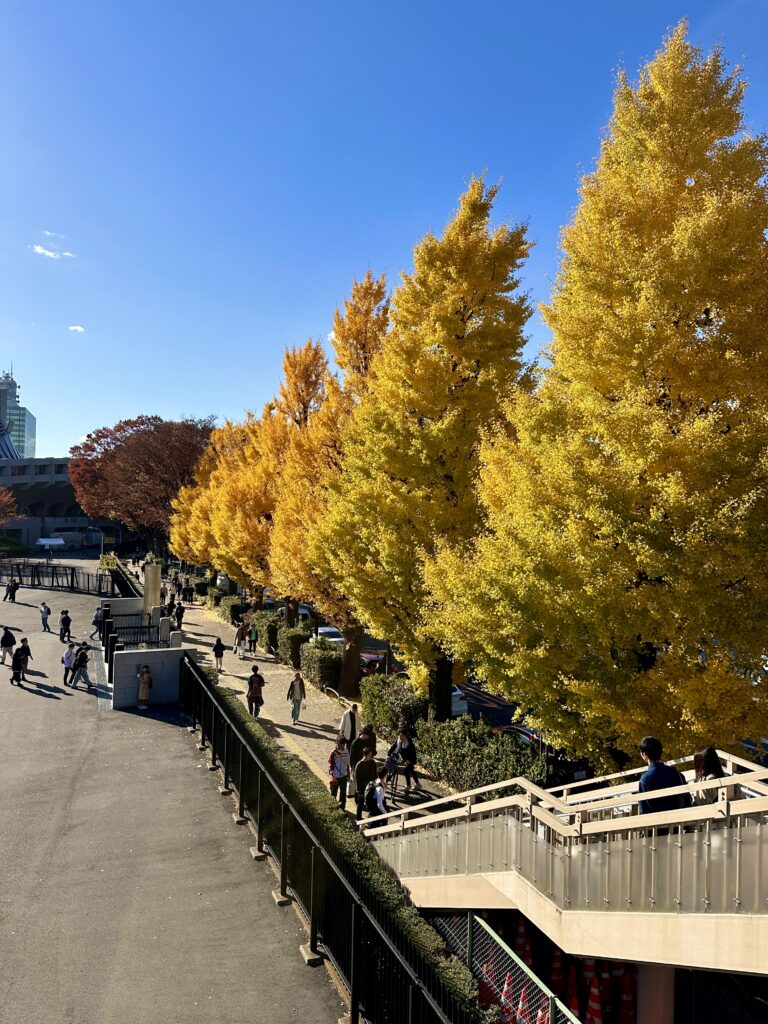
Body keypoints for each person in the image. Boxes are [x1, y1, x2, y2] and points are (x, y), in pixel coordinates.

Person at [638, 736, 689, 815]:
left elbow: (644, 810)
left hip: (657, 824)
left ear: (644, 755)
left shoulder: (645, 779)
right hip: (679, 823)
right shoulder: (675, 772)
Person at [354, 747, 378, 821]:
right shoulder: (359, 765)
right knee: (360, 803)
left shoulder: (372, 762)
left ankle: (371, 818)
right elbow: (357, 779)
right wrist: (358, 790)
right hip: (362, 787)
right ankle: (358, 818)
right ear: (365, 755)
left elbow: (375, 774)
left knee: (372, 802)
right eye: (369, 755)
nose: (371, 756)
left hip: (371, 786)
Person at [328, 736, 351, 809]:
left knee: (343, 794)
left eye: (343, 744)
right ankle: (333, 808)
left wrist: (348, 773)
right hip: (336, 776)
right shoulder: (333, 753)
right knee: (333, 793)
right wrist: (332, 775)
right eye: (340, 744)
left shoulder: (346, 751)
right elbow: (330, 764)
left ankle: (342, 808)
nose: (341, 746)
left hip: (344, 775)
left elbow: (348, 763)